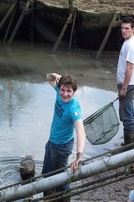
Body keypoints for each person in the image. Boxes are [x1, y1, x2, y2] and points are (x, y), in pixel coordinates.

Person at [42, 73, 86, 202]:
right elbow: (48, 77)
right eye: (63, 90)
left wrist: (78, 158)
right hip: (51, 142)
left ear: (74, 91)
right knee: (46, 175)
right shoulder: (58, 91)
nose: (65, 94)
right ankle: (48, 199)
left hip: (62, 147)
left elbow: (81, 133)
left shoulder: (73, 108)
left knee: (61, 181)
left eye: (69, 91)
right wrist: (57, 76)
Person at [117, 16, 134, 148]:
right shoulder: (129, 41)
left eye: (127, 28)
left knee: (126, 116)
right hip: (131, 83)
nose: (124, 31)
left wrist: (124, 88)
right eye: (122, 28)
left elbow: (130, 67)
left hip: (128, 84)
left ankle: (129, 147)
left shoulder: (131, 45)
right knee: (131, 112)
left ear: (133, 29)